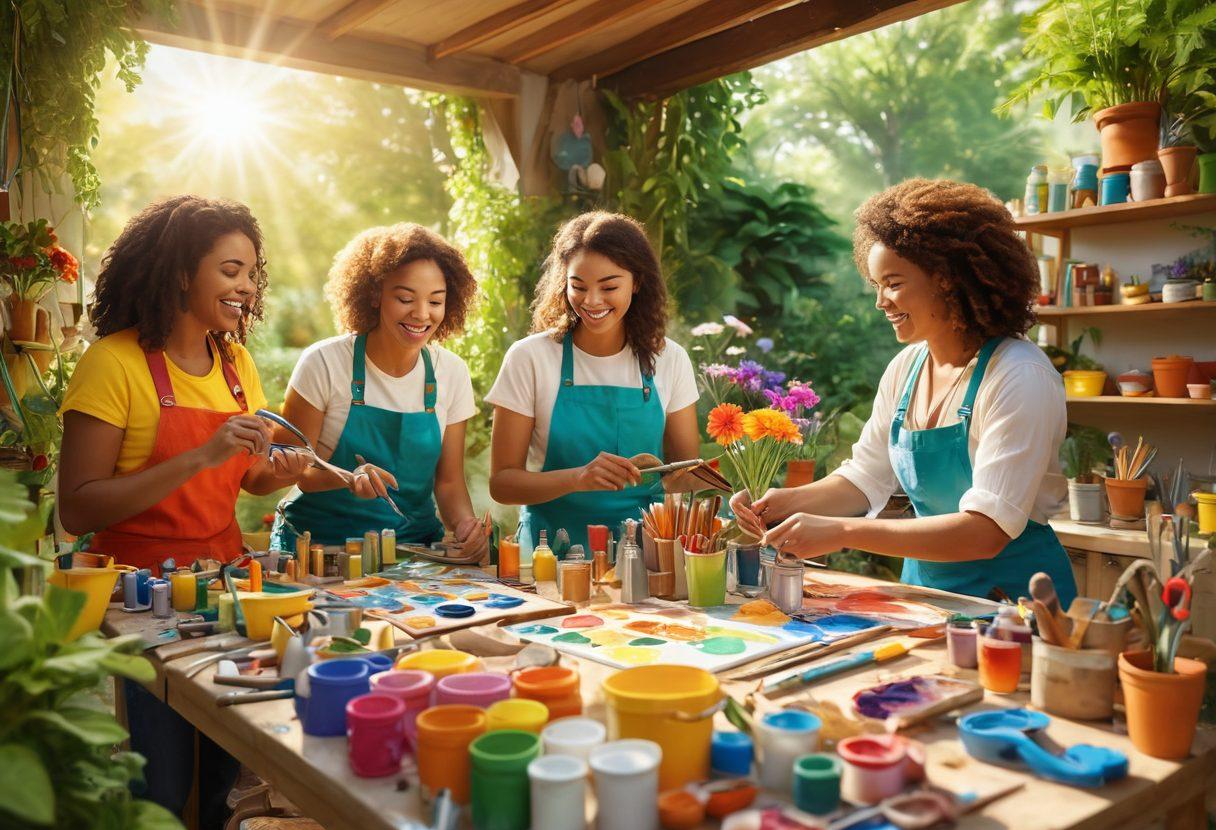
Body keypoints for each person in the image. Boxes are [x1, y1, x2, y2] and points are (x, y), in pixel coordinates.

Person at [58, 196, 311, 827]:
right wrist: (200, 456)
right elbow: (76, 504)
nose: (246, 288)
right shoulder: (111, 363)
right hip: (143, 602)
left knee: (229, 782)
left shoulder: (236, 365)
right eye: (230, 271)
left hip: (226, 588)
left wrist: (285, 472)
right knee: (162, 791)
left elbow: (245, 477)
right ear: (178, 273)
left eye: (252, 273)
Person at [732, 179, 1077, 607]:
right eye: (876, 285)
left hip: (1017, 609)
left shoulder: (1019, 375)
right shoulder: (907, 368)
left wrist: (840, 533)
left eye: (893, 283)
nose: (881, 302)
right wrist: (784, 503)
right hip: (924, 597)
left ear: (949, 280)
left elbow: (985, 531)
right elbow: (865, 479)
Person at [487, 212, 701, 554]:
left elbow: (686, 472)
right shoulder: (530, 357)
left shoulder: (670, 360)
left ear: (638, 282)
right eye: (579, 286)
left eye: (609, 287)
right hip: (549, 551)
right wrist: (578, 478)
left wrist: (734, 478)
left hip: (644, 555)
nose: (592, 301)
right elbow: (502, 484)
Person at [271, 224, 486, 558]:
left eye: (435, 301)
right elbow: (300, 471)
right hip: (319, 549)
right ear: (374, 294)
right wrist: (346, 477)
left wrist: (466, 526)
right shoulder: (325, 363)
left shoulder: (452, 373)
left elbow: (448, 482)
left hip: (415, 552)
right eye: (405, 298)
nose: (421, 313)